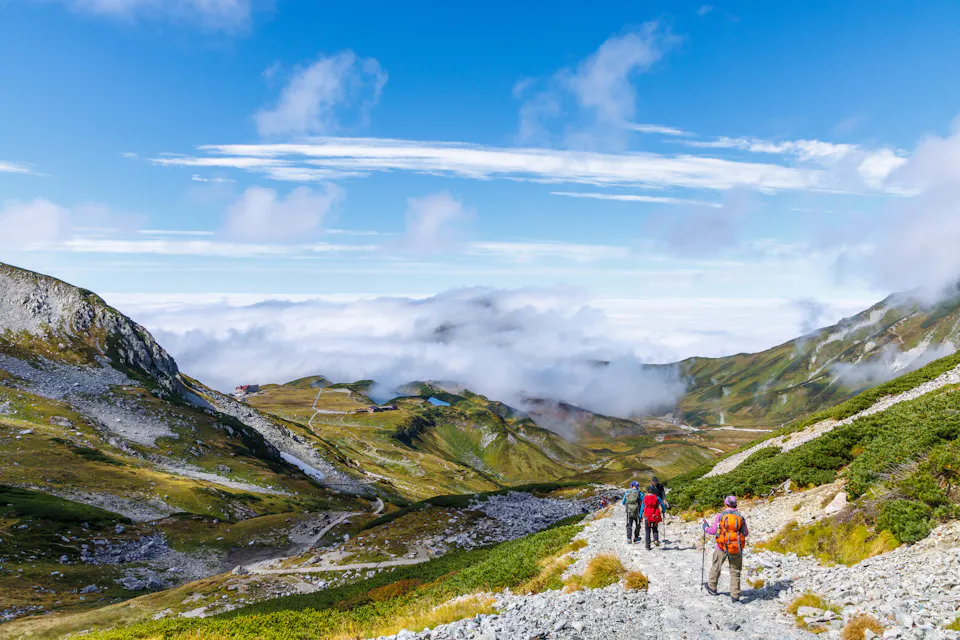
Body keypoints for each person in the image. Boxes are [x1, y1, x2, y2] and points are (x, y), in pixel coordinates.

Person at [702, 495, 749, 602]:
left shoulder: (720, 515)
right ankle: (735, 595)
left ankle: (712, 587)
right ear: (736, 504)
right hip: (736, 547)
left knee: (716, 566)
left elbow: (713, 531)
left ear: (726, 504)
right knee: (735, 571)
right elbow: (745, 533)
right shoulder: (740, 517)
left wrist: (705, 527)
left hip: (721, 546)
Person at [642, 485, 666, 550]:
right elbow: (662, 505)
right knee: (655, 529)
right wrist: (663, 511)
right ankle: (656, 540)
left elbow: (642, 507)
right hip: (655, 515)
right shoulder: (657, 497)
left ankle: (647, 545)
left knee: (647, 531)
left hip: (647, 515)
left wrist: (640, 514)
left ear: (647, 492)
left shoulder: (645, 498)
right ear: (653, 491)